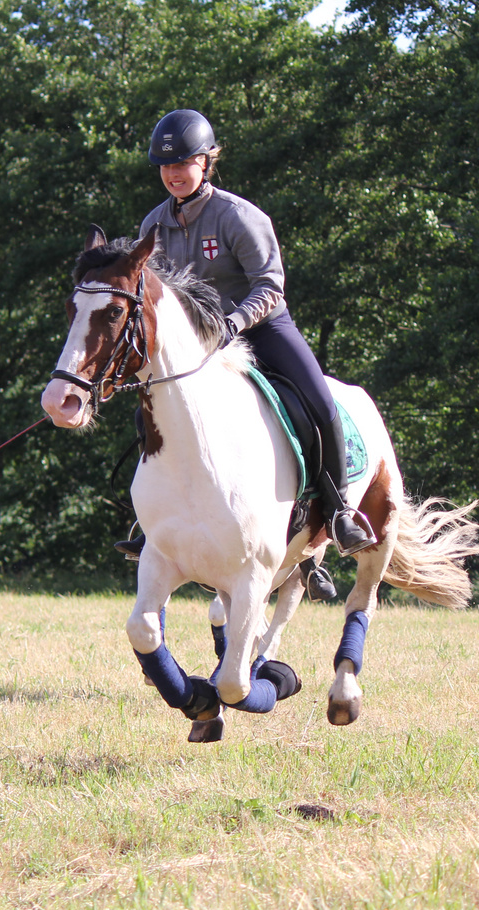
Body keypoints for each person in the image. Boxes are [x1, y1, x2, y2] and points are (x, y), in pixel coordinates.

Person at [114, 109, 376, 586]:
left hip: (262, 328)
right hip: (199, 344)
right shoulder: (153, 223)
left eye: (184, 164)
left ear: (206, 162)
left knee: (317, 402)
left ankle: (338, 512)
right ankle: (151, 520)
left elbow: (270, 285)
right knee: (148, 411)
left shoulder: (238, 216)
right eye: (165, 167)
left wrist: (234, 322)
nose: (173, 174)